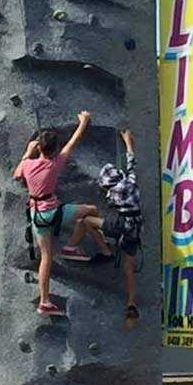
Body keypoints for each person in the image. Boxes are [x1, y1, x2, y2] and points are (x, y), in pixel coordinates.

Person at [13, 110, 113, 316]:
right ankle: (74, 246)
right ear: (55, 149)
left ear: (38, 147)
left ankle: (44, 301)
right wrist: (83, 122)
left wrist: (27, 152)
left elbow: (16, 176)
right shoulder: (54, 163)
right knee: (91, 210)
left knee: (46, 258)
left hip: (37, 216)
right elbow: (72, 143)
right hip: (54, 212)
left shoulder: (28, 164)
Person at [83, 129, 143, 326]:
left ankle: (105, 249)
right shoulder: (130, 182)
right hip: (135, 227)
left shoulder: (114, 193)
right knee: (129, 267)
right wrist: (128, 142)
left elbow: (109, 196)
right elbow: (132, 163)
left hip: (121, 224)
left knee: (87, 222)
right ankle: (131, 302)